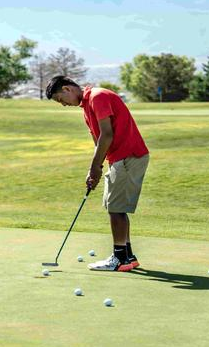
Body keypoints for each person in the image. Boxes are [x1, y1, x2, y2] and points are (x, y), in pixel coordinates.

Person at [46, 75, 150, 272]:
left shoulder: (97, 96)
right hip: (119, 158)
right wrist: (96, 168)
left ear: (68, 89)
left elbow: (107, 134)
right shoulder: (86, 106)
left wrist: (94, 168)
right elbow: (98, 140)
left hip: (128, 155)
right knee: (115, 207)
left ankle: (119, 259)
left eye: (61, 99)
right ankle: (127, 256)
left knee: (116, 209)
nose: (63, 105)